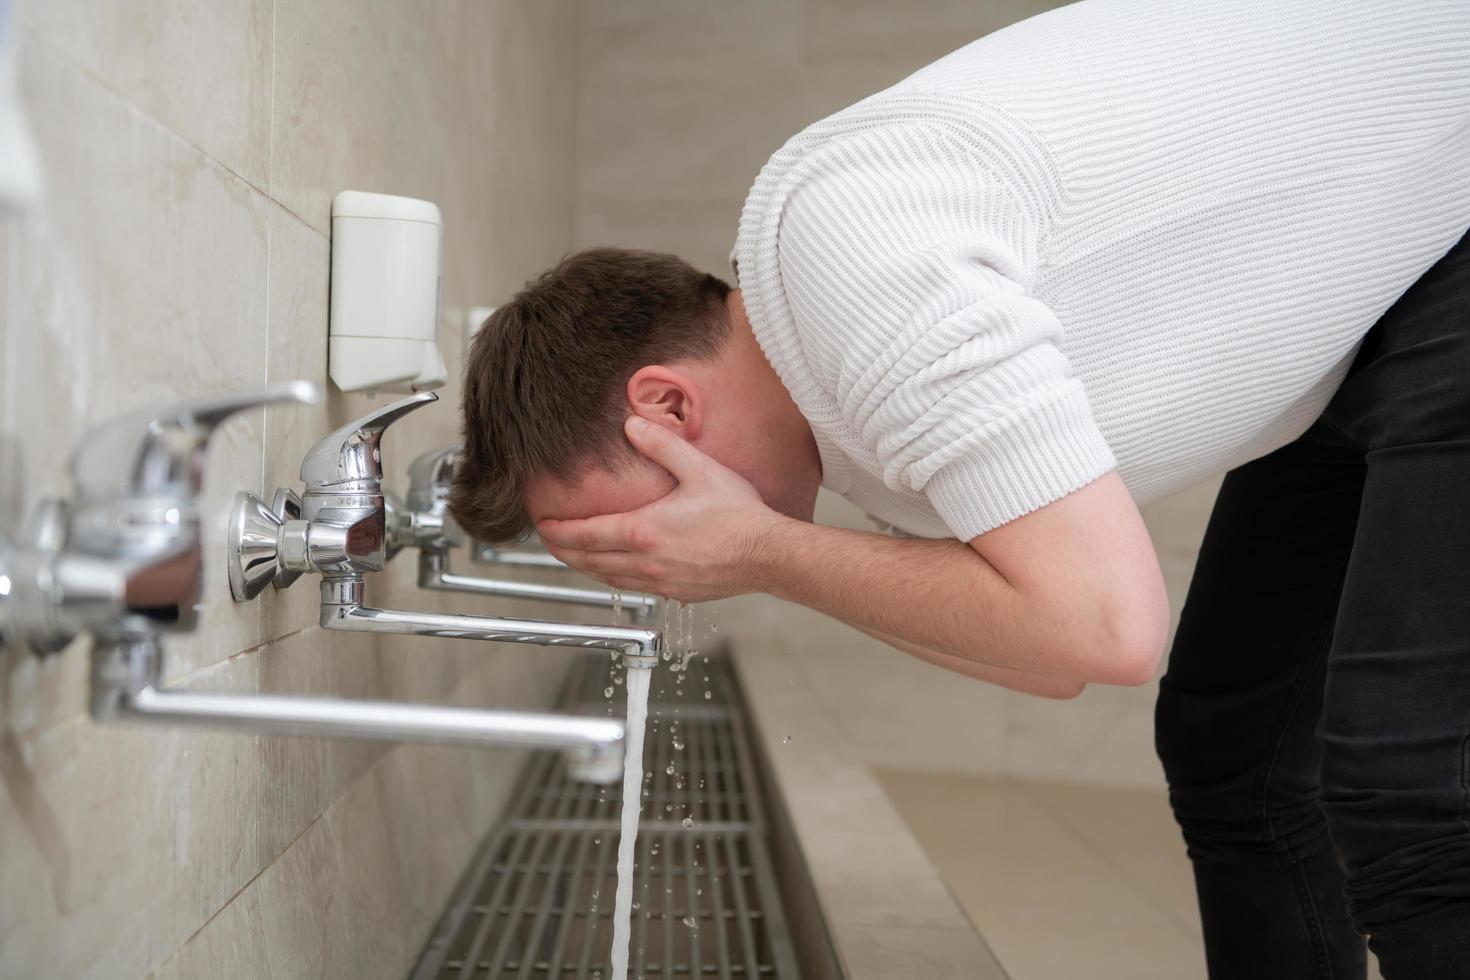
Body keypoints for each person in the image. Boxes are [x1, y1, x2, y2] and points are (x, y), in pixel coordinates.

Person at [449, 0, 1470, 974]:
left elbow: (1105, 628)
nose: (661, 570)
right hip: (1361, 309)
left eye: (628, 532)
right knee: (1234, 754)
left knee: (1408, 781)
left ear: (668, 407)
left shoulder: (857, 272)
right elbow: (1044, 660)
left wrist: (759, 548)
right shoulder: (846, 398)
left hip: (1446, 230)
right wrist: (770, 555)